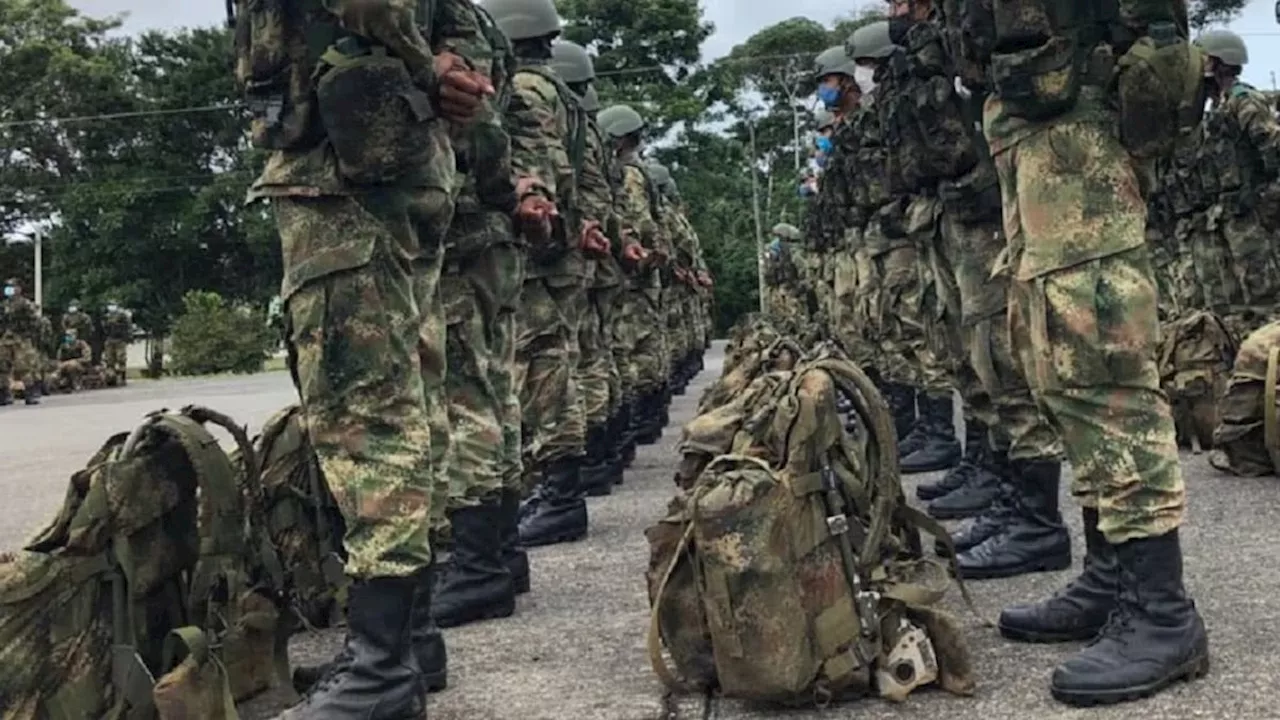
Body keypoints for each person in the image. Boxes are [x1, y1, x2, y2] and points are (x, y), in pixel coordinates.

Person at [238, 0, 494, 715]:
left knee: (364, 415)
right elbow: (469, 33)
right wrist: (448, 71)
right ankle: (408, 645)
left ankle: (382, 670)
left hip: (345, 175)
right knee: (410, 400)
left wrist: (421, 62)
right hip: (396, 159)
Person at [972, 0, 1209, 704]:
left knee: (1100, 368)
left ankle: (1163, 613)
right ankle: (1111, 579)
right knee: (1057, 371)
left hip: (1082, 136)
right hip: (1041, 135)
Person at [876, 0, 1070, 580]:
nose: (896, 9)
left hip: (988, 205)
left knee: (1003, 360)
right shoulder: (932, 43)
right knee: (973, 360)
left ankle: (1036, 523)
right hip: (951, 208)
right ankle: (1003, 491)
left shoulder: (966, 28)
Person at [487, 0, 603, 549]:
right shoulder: (562, 94)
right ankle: (558, 493)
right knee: (555, 361)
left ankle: (561, 498)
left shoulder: (529, 89)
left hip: (540, 251)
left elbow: (544, 165)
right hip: (560, 246)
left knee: (541, 369)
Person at [1196, 30, 1280, 338]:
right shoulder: (1218, 106)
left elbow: (1273, 148)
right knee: (1235, 306)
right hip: (1232, 217)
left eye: (1203, 58)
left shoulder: (1244, 101)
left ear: (1218, 62)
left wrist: (1265, 198)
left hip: (1254, 214)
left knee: (1266, 299)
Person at [598, 103, 670, 452]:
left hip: (628, 271)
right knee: (636, 348)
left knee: (623, 351)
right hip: (638, 269)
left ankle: (618, 442)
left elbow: (639, 220)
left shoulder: (629, 174)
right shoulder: (634, 172)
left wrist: (635, 251)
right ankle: (634, 429)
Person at [0, 278, 42, 406]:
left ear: (19, 289)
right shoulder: (4, 305)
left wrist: (28, 334)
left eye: (12, 287)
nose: (10, 289)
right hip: (7, 337)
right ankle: (4, 394)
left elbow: (35, 321)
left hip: (21, 338)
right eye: (8, 287)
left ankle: (30, 394)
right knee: (2, 365)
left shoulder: (25, 304)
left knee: (24, 366)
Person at [101, 301, 131, 386]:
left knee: (121, 358)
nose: (111, 307)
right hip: (109, 339)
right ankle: (111, 379)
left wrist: (127, 337)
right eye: (110, 305)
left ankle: (122, 377)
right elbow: (104, 328)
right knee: (109, 359)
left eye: (113, 305)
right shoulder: (106, 316)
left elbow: (128, 326)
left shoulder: (122, 315)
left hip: (120, 339)